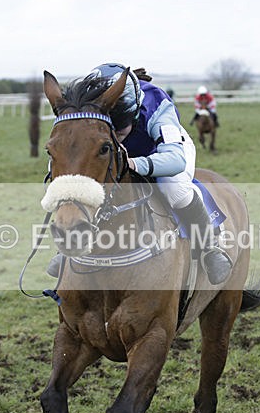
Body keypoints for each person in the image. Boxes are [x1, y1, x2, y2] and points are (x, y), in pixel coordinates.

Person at [47, 63, 232, 285]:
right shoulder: (89, 105)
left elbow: (176, 159)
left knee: (177, 191)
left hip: (159, 151)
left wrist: (135, 164)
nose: (117, 134)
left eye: (120, 128)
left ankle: (210, 248)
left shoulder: (157, 106)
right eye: (112, 128)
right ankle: (67, 250)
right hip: (105, 151)